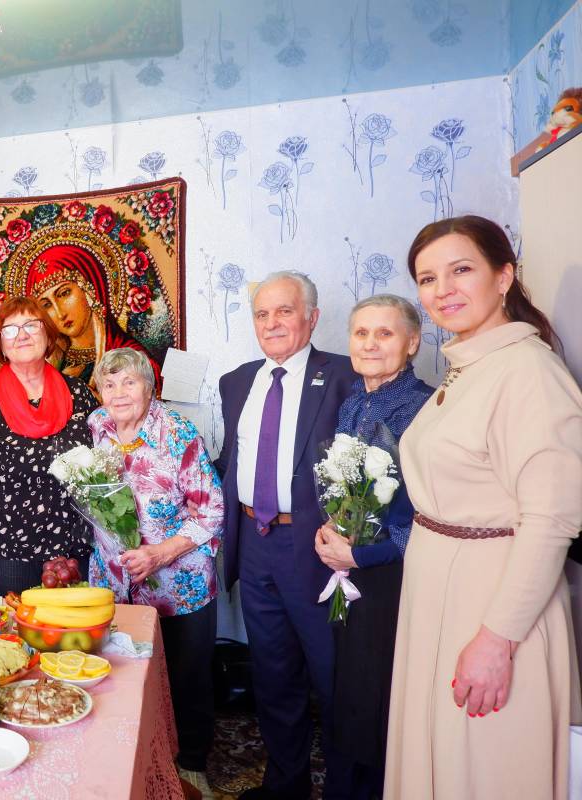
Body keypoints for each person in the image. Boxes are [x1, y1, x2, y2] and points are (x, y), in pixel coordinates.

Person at [384, 216, 582, 800]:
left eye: (461, 269)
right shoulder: (471, 367)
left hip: (491, 604)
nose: (442, 289)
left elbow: (551, 519)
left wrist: (499, 639)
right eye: (427, 278)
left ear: (503, 277)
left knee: (483, 768)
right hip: (440, 596)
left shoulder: (528, 371)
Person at [215, 270, 356, 800]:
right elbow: (232, 461)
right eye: (261, 313)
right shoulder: (236, 382)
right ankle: (285, 786)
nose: (271, 323)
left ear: (311, 318)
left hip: (316, 548)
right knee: (273, 674)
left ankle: (346, 790)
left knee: (333, 676)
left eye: (284, 311)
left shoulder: (344, 374)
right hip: (255, 541)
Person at [312, 295, 434, 800]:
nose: (370, 344)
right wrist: (332, 527)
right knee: (348, 688)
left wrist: (361, 555)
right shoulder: (352, 402)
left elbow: (432, 513)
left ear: (412, 342)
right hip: (350, 569)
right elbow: (347, 491)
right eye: (361, 333)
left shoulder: (425, 407)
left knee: (378, 697)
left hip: (394, 577)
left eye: (385, 333)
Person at [88, 347, 225, 794]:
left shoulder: (178, 433)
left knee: (186, 679)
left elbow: (211, 512)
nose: (119, 393)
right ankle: (136, 760)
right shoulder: (97, 425)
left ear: (150, 388)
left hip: (177, 584)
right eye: (109, 384)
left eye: (129, 382)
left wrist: (159, 555)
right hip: (114, 580)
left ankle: (191, 765)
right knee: (126, 676)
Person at [0, 295, 98, 596]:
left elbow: (101, 471)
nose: (22, 335)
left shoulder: (80, 394)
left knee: (76, 626)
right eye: (10, 329)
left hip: (73, 549)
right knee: (14, 627)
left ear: (48, 335)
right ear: (0, 344)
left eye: (32, 325)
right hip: (6, 552)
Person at [23, 243, 162, 387]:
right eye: (46, 305)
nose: (60, 313)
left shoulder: (132, 359)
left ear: (89, 289)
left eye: (64, 293)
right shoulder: (52, 363)